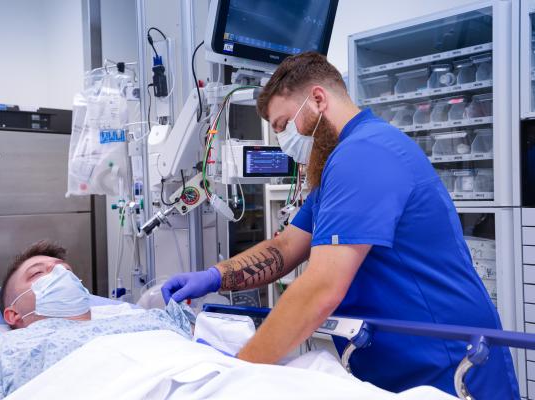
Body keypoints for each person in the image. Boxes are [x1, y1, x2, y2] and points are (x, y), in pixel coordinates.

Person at [161, 52, 519, 399]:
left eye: (284, 125)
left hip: (447, 366)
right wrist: (214, 276)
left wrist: (239, 373)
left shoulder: (362, 155)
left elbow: (321, 288)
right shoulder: (343, 160)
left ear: (317, 99)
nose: (286, 142)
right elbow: (286, 248)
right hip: (402, 364)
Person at [0, 240, 193, 400]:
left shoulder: (144, 319)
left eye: (65, 270)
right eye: (38, 273)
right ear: (12, 314)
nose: (59, 274)